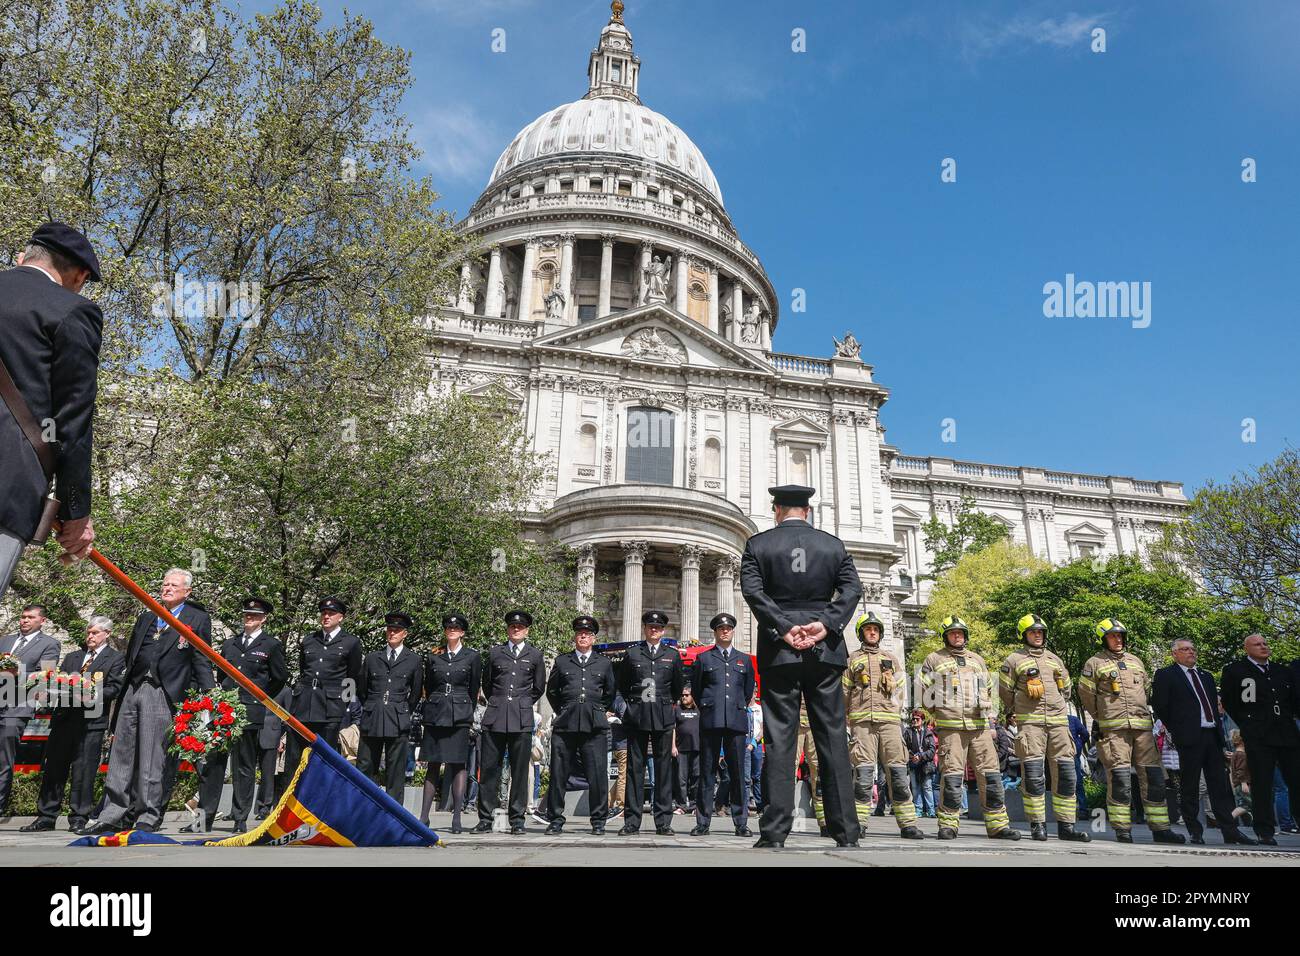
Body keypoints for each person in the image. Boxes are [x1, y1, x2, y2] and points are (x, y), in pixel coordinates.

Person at [740, 484, 862, 849]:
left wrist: (784, 626)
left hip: (780, 651)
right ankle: (845, 832)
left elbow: (753, 592)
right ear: (807, 511)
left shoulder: (757, 545)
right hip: (824, 650)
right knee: (832, 736)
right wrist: (825, 624)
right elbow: (852, 589)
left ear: (776, 509)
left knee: (780, 738)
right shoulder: (833, 545)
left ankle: (775, 831)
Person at [0, 223, 102, 601]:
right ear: (80, 274)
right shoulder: (73, 311)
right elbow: (71, 422)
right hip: (7, 486)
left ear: (22, 258)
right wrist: (76, 512)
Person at [81, 568, 215, 835]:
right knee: (122, 753)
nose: (166, 588)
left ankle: (147, 815)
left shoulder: (196, 618)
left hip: (163, 692)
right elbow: (132, 654)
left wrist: (209, 697)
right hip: (134, 687)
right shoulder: (147, 616)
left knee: (154, 757)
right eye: (164, 584)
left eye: (174, 585)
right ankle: (113, 813)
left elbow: (201, 658)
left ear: (187, 592)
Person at [1077, 619, 1184, 845]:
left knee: (1154, 779)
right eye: (1112, 636)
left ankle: (1161, 828)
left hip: (1142, 729)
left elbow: (1145, 690)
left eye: (1120, 636)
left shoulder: (1136, 661)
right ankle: (1122, 829)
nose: (1118, 639)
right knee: (1120, 779)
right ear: (1103, 639)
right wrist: (1103, 717)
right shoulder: (1094, 663)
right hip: (1114, 731)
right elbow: (1086, 696)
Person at [918, 615, 1020, 842]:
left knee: (991, 776)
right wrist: (941, 711)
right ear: (945, 636)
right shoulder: (933, 659)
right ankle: (948, 825)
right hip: (951, 729)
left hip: (980, 727)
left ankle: (998, 826)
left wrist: (990, 719)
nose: (957, 636)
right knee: (952, 777)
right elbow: (923, 691)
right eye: (953, 633)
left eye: (961, 633)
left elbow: (989, 690)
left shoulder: (977, 660)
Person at [192, 597, 288, 833]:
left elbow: (280, 677)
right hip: (225, 709)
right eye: (247, 614)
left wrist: (260, 698)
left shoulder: (271, 645)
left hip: (249, 711)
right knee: (213, 765)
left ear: (263, 619)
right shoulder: (230, 644)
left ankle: (240, 818)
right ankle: (204, 819)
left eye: (254, 616)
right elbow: (222, 675)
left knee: (243, 766)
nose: (249, 618)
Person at [22, 616, 125, 831]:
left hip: (91, 722)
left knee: (83, 771)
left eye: (95, 633)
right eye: (88, 632)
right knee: (54, 768)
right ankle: (46, 816)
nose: (90, 636)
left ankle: (78, 817)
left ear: (107, 634)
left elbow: (115, 688)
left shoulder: (115, 658)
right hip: (64, 720)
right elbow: (57, 680)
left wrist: (91, 693)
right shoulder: (73, 657)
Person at [1152, 637, 1256, 846]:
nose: (1191, 652)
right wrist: (1177, 728)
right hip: (1189, 736)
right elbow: (1160, 705)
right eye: (1185, 649)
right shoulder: (1166, 675)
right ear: (1175, 654)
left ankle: (1230, 830)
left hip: (1211, 735)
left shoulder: (1206, 676)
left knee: (1220, 787)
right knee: (1190, 785)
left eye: (1193, 649)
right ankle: (1195, 829)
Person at [998, 614, 1089, 842]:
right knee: (1034, 775)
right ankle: (1037, 825)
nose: (1037, 635)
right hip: (1031, 723)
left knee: (1068, 775)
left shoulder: (1055, 659)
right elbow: (1005, 693)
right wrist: (1022, 703)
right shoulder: (1013, 660)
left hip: (1059, 723)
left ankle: (1067, 826)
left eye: (1040, 632)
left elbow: (1066, 689)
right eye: (1032, 632)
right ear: (1024, 635)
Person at [843, 611, 923, 838]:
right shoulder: (852, 660)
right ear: (861, 633)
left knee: (898, 774)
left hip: (889, 722)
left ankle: (908, 824)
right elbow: (844, 693)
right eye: (868, 629)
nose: (872, 632)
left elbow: (901, 690)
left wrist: (895, 707)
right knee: (863, 776)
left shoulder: (891, 658)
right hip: (862, 723)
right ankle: (858, 824)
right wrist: (845, 719)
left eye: (876, 629)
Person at [1220, 633, 1300, 846]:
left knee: (1296, 779)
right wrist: (1247, 722)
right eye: (1257, 644)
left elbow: (1294, 700)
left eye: (1265, 643)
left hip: (1286, 732)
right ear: (1247, 648)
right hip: (1258, 734)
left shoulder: (1283, 672)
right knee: (1262, 783)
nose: (1263, 647)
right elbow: (1229, 700)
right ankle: (1265, 830)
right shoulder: (1236, 671)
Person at [473, 610, 546, 835]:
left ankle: (517, 820)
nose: (516, 629)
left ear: (527, 630)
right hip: (495, 717)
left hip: (521, 718)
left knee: (520, 771)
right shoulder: (496, 653)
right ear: (508, 629)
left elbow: (538, 687)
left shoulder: (535, 655)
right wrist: (500, 703)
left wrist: (521, 704)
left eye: (521, 627)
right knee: (488, 770)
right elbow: (487, 682)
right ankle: (485, 818)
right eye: (513, 626)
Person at [543, 615, 616, 834]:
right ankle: (555, 818)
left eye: (587, 634)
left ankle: (598, 820)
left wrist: (597, 710)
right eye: (580, 633)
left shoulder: (603, 662)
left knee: (597, 775)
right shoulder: (563, 661)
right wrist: (564, 710)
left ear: (593, 638)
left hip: (594, 726)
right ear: (575, 637)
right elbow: (552, 691)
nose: (583, 637)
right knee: (559, 774)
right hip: (566, 724)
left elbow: (610, 693)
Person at [616, 609, 684, 836]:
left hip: (663, 717)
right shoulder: (633, 654)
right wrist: (629, 709)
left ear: (663, 630)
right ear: (645, 629)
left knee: (664, 771)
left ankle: (663, 822)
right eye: (650, 627)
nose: (654, 630)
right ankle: (631, 822)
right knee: (635, 770)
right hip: (637, 717)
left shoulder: (672, 655)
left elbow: (676, 688)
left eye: (658, 627)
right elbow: (623, 686)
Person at [283, 596, 364, 785]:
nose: (326, 616)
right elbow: (305, 671)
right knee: (295, 756)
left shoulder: (351, 642)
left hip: (331, 707)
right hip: (305, 705)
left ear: (341, 617)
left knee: (326, 757)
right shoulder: (310, 640)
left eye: (331, 613)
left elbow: (352, 677)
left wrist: (345, 707)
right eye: (324, 613)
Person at [689, 612, 756, 837]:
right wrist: (708, 708)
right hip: (711, 720)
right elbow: (697, 690)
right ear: (715, 632)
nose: (725, 631)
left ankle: (740, 822)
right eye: (720, 629)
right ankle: (703, 822)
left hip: (735, 722)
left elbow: (747, 692)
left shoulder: (744, 659)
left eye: (728, 628)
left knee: (737, 774)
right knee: (706, 773)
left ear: (732, 632)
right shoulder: (704, 659)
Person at [419, 612, 481, 833]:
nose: (452, 631)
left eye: (456, 629)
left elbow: (473, 689)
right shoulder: (435, 655)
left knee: (458, 766)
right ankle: (423, 817)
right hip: (436, 714)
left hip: (459, 714)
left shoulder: (472, 657)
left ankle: (456, 818)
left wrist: (466, 711)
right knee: (433, 765)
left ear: (462, 632)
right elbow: (428, 684)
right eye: (448, 628)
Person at [0, 603, 62, 812]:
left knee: (3, 758)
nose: (25, 620)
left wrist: (17, 674)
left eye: (30, 617)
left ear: (42, 621)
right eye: (23, 617)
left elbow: (46, 676)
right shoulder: (6, 640)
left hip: (16, 707)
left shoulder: (49, 644)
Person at [356, 612, 423, 803]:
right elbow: (362, 689)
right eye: (390, 629)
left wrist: (403, 710)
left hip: (397, 717)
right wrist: (371, 706)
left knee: (396, 769)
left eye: (397, 630)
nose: (392, 633)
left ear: (405, 634)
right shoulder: (372, 658)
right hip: (373, 715)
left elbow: (416, 693)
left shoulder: (414, 660)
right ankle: (363, 805)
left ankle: (394, 811)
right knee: (366, 766)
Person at [903, 709, 936, 817]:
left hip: (926, 765)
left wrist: (921, 756)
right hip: (913, 764)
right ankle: (918, 809)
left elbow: (932, 750)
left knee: (927, 787)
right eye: (913, 719)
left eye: (917, 719)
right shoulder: (908, 732)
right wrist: (911, 757)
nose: (914, 721)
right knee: (915, 788)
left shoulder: (928, 733)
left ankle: (931, 811)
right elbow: (904, 748)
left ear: (922, 720)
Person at [673, 685, 701, 814]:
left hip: (697, 749)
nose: (683, 697)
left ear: (692, 696)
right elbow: (673, 729)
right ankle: (681, 806)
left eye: (686, 695)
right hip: (681, 750)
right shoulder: (677, 710)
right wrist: (673, 746)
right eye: (682, 695)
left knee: (696, 777)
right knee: (681, 779)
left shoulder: (699, 710)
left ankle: (694, 806)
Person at [746, 700, 764, 811]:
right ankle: (746, 804)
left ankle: (759, 804)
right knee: (745, 777)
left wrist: (754, 741)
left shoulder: (759, 709)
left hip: (756, 744)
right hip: (744, 744)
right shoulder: (743, 708)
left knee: (757, 776)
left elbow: (763, 728)